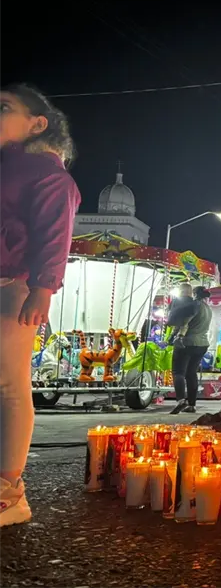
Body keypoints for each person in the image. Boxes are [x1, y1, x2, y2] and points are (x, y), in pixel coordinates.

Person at [0, 84, 81, 527]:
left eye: (4, 107)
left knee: (9, 386)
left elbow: (55, 230)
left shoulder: (45, 174)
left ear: (37, 124)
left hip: (13, 285)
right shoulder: (9, 168)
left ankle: (9, 493)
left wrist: (43, 287)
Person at [168, 286, 212, 414]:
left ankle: (181, 400)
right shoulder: (208, 309)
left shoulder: (194, 306)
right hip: (202, 344)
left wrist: (177, 337)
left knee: (178, 372)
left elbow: (184, 323)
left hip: (187, 342)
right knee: (191, 373)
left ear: (194, 294)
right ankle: (192, 405)